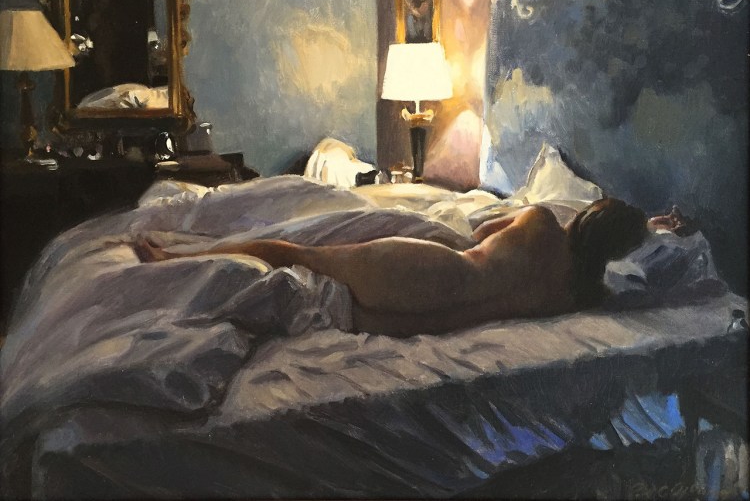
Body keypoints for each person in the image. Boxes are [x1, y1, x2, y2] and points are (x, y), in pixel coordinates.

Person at [135, 198, 662, 337]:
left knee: (291, 253)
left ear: (587, 213)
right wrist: (655, 229)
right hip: (434, 321)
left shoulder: (542, 220)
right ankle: (184, 264)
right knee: (309, 280)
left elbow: (480, 231)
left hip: (432, 271)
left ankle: (176, 259)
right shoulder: (581, 295)